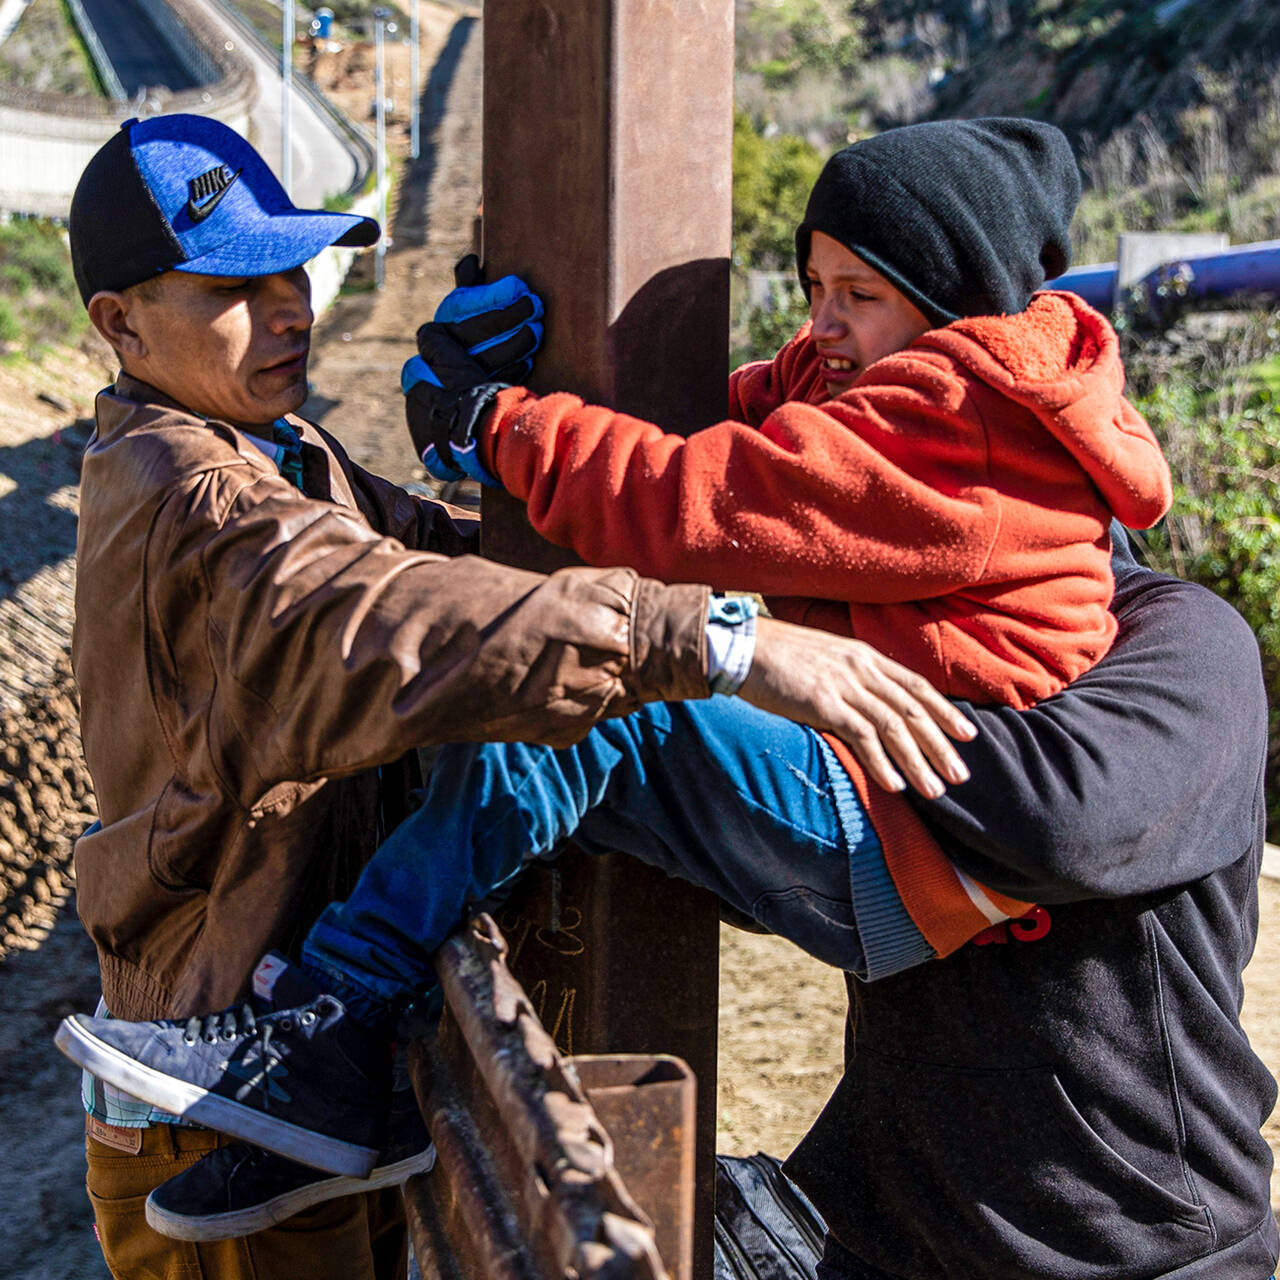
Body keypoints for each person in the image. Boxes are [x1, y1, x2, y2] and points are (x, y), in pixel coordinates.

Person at [58, 117, 1279, 1276]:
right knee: (577, 683)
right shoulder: (215, 479)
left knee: (593, 702)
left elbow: (699, 496)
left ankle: (332, 1024)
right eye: (232, 289)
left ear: (944, 297)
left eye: (855, 293)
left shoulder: (956, 431)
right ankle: (331, 1033)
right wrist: (549, 409)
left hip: (922, 847)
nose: (284, 314)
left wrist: (505, 422)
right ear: (118, 324)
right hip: (922, 1023)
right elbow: (724, 429)